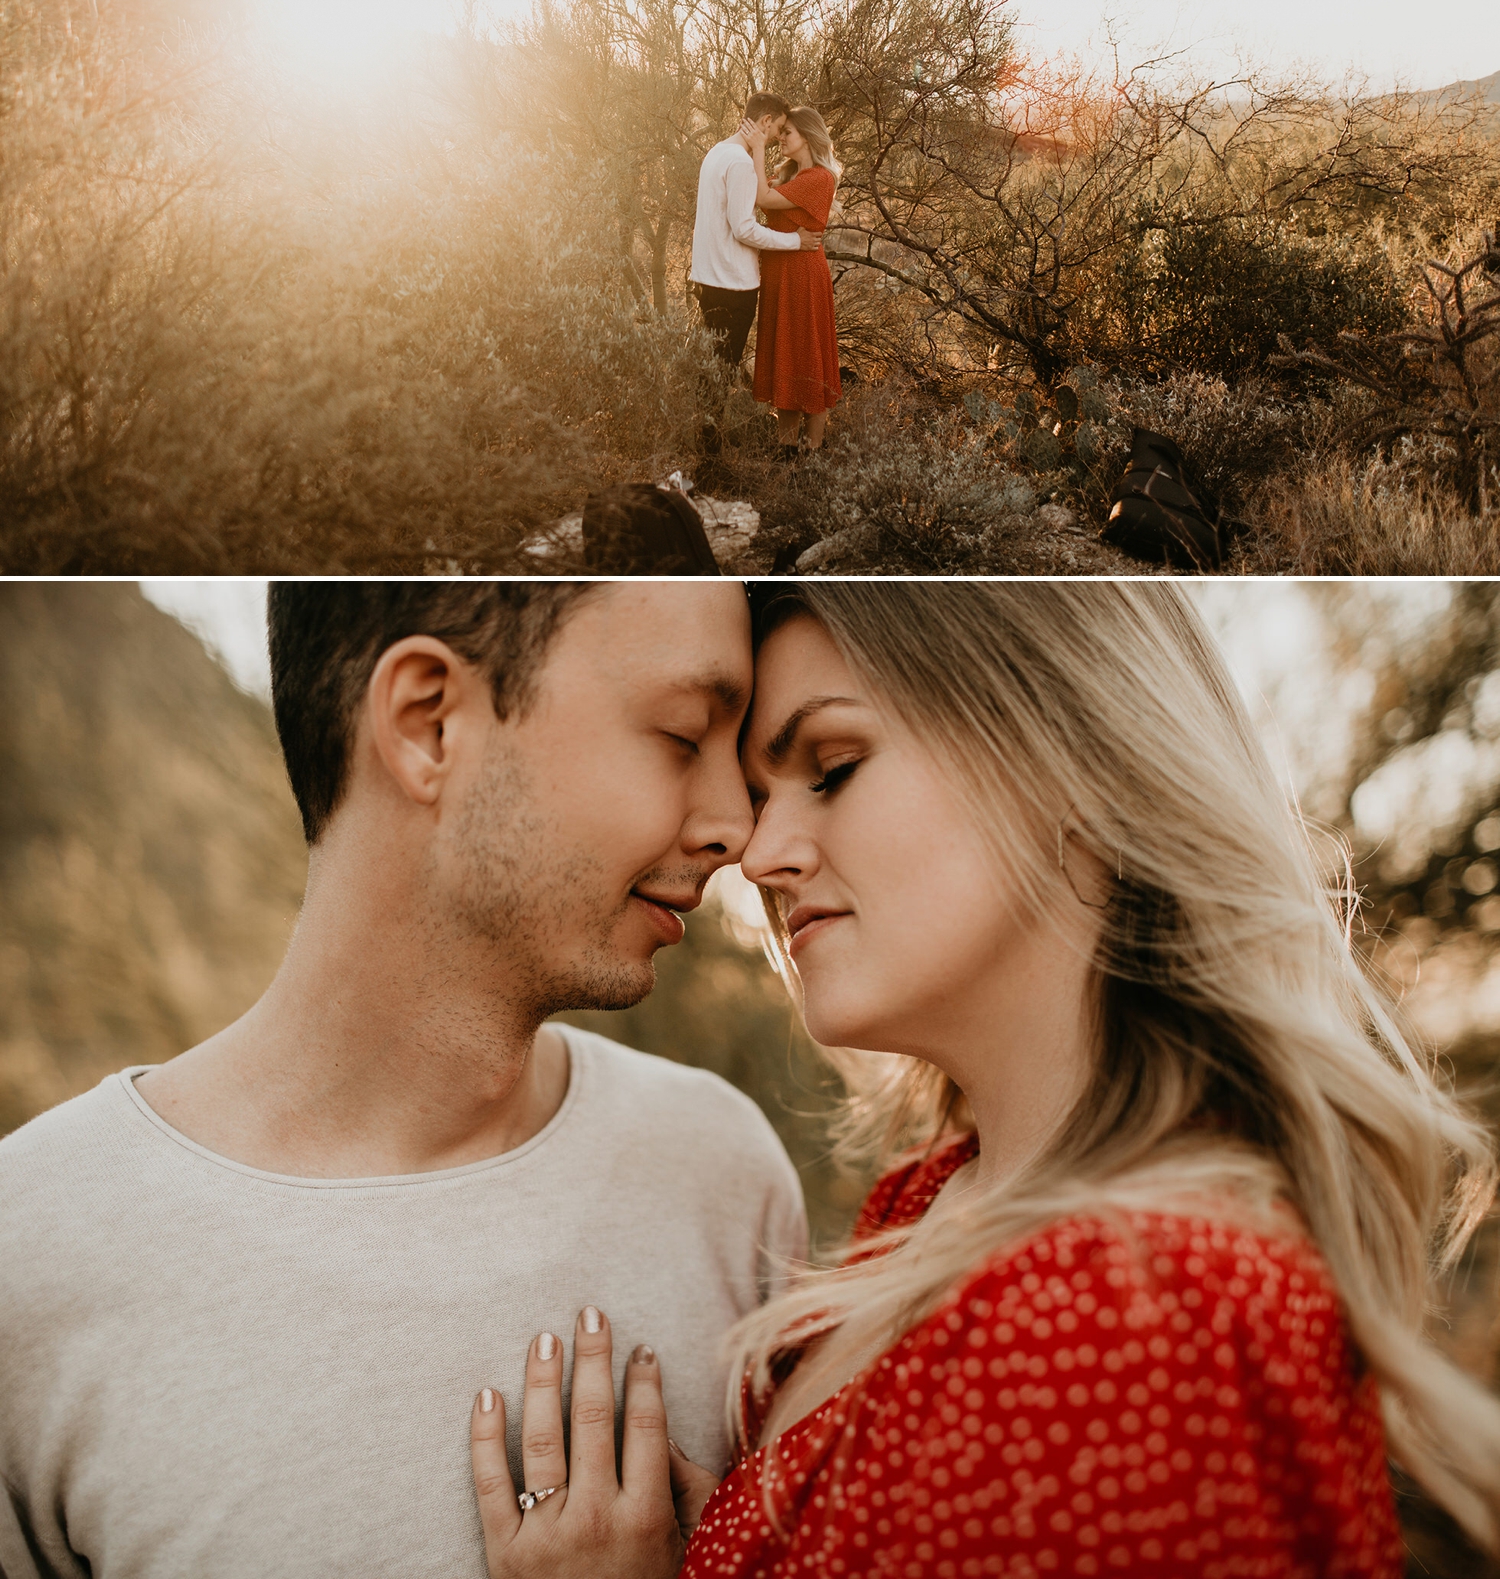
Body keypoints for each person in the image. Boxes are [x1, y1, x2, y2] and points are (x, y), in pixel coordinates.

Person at [468, 579, 1500, 1578]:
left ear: (1073, 764)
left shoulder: (1134, 1322)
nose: (761, 853)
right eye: (760, 793)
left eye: (831, 767)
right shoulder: (935, 1201)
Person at [0, 580, 806, 1579]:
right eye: (685, 737)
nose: (739, 828)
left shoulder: (725, 1177)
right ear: (428, 724)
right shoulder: (29, 1254)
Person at [689, 93, 822, 376]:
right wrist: (795, 241)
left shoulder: (717, 152)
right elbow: (744, 229)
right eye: (777, 129)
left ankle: (705, 419)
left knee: (710, 372)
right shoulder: (740, 163)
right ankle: (710, 421)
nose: (777, 137)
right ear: (766, 121)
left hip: (707, 280)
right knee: (720, 374)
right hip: (732, 286)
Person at [742, 106, 842, 457]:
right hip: (780, 275)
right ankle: (786, 451)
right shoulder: (791, 175)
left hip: (802, 275)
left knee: (808, 355)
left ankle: (812, 451)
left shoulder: (818, 178)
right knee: (786, 353)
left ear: (809, 137)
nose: (781, 138)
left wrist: (756, 148)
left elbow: (763, 198)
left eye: (789, 133)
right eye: (781, 133)